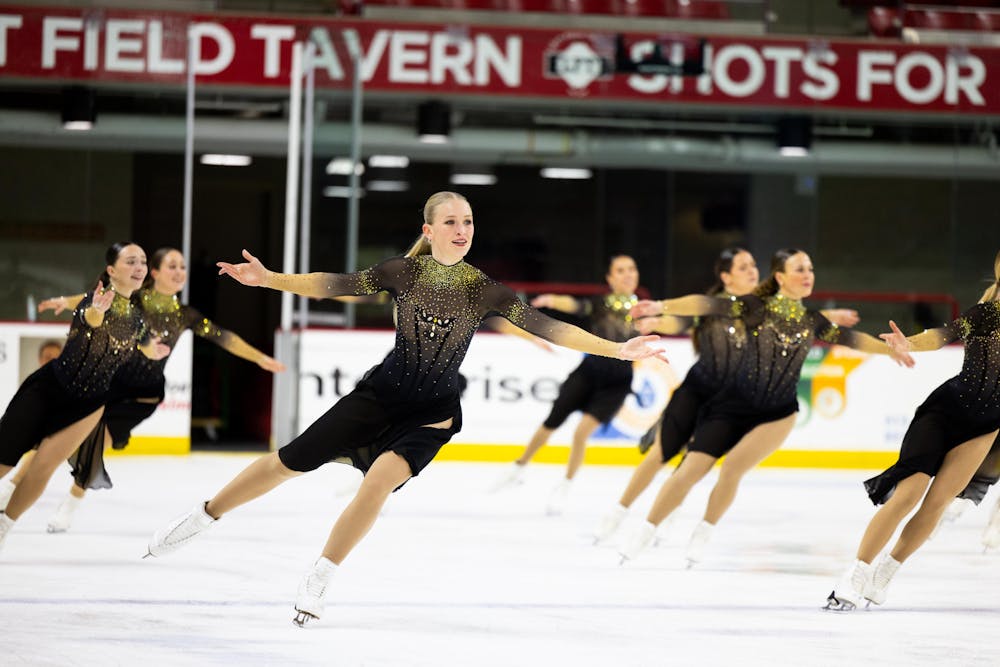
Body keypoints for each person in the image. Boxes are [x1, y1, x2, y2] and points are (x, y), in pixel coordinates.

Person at [144, 191, 667, 627]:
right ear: (430, 228)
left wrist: (619, 349)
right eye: (451, 222)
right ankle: (204, 515)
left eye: (467, 221)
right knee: (290, 462)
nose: (461, 229)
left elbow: (550, 326)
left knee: (376, 484)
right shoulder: (402, 273)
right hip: (379, 397)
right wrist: (271, 279)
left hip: (431, 414)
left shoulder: (483, 290)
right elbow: (332, 285)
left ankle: (321, 574)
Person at [618, 248, 909, 566]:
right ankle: (646, 531)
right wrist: (661, 305)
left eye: (810, 268)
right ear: (781, 277)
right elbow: (707, 304)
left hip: (776, 414)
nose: (807, 274)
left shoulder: (812, 320)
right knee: (689, 471)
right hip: (732, 406)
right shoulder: (755, 307)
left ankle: (703, 531)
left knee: (731, 469)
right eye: (799, 269)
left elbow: (850, 339)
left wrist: (888, 350)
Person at [0, 247, 286, 532]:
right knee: (53, 439)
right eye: (172, 266)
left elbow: (225, 338)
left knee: (97, 445)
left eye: (183, 267)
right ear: (156, 273)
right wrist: (67, 301)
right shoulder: (134, 299)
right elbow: (100, 302)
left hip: (140, 396)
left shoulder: (185, 315)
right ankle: (12, 485)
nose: (179, 272)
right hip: (110, 382)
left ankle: (71, 503)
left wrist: (260, 358)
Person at [825, 250, 1000, 611]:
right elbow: (943, 333)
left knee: (936, 505)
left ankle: (884, 574)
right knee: (908, 495)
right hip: (945, 413)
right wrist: (910, 343)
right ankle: (854, 574)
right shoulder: (987, 314)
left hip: (985, 427)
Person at [0, 242, 169, 551]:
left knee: (43, 467)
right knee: (3, 459)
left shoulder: (137, 317)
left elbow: (142, 339)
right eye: (131, 261)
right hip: (48, 390)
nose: (139, 267)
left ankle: (3, 527)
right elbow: (92, 317)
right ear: (111, 270)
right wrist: (96, 310)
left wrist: (153, 349)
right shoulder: (93, 301)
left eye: (142, 261)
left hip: (88, 405)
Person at [490, 254, 643, 514]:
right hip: (589, 372)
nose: (627, 274)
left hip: (616, 383)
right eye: (620, 270)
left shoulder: (645, 309)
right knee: (552, 421)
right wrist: (551, 299)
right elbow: (575, 305)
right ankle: (519, 466)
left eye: (631, 269)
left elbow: (664, 322)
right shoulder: (600, 303)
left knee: (581, 433)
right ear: (610, 278)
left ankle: (565, 486)